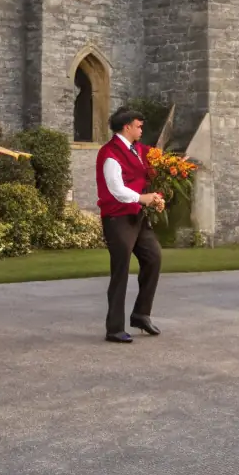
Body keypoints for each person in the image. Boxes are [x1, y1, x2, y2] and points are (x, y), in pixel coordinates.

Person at [97, 106, 166, 343]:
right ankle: (114, 328)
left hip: (137, 216)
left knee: (153, 257)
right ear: (127, 127)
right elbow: (116, 189)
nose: (141, 129)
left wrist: (154, 196)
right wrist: (142, 198)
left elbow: (147, 173)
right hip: (117, 219)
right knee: (121, 271)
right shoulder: (110, 154)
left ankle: (140, 314)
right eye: (138, 126)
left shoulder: (137, 149)